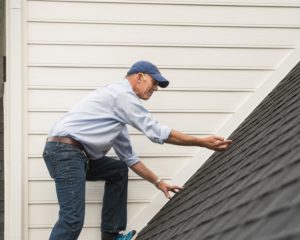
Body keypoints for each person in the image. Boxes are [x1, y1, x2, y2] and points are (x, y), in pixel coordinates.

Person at [43, 60, 232, 240]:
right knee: (72, 219)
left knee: (117, 170)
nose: (155, 89)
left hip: (68, 154)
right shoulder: (123, 95)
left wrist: (159, 183)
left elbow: (129, 158)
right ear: (140, 76)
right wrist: (201, 142)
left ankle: (111, 235)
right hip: (65, 152)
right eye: (154, 82)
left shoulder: (115, 115)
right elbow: (157, 132)